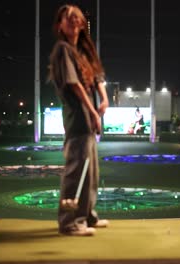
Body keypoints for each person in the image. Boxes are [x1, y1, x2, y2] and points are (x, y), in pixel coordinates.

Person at [48, 4, 109, 236]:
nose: (73, 21)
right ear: (60, 26)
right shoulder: (62, 50)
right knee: (76, 172)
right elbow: (74, 85)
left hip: (88, 120)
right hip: (77, 120)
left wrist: (104, 99)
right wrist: (93, 112)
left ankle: (87, 217)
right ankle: (68, 222)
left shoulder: (83, 52)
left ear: (83, 24)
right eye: (68, 18)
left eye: (77, 18)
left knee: (91, 171)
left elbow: (98, 77)